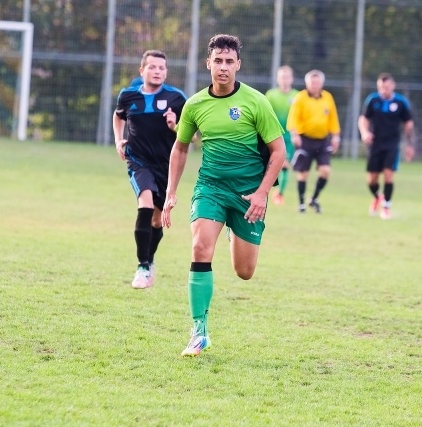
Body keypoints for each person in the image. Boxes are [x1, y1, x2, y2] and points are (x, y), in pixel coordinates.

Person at [162, 34, 285, 356]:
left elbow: (279, 152)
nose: (223, 67)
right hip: (211, 188)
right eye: (218, 61)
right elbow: (180, 146)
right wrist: (171, 193)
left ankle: (234, 231)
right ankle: (198, 330)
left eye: (229, 62)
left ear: (238, 65)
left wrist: (261, 194)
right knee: (201, 247)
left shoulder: (256, 102)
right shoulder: (196, 104)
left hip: (248, 196)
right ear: (208, 64)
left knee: (244, 272)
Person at [113, 50, 187, 289]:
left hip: (165, 167)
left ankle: (150, 260)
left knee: (156, 221)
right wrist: (118, 140)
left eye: (162, 68)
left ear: (166, 72)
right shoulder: (128, 96)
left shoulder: (177, 98)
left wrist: (175, 126)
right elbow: (118, 116)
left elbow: (191, 137)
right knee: (144, 204)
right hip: (137, 161)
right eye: (152, 67)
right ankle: (142, 266)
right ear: (142, 70)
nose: (157, 71)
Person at [358, 72, 414, 220]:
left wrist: (409, 145)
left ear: (393, 86)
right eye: (381, 87)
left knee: (388, 174)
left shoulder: (401, 102)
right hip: (375, 144)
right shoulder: (372, 100)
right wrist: (364, 133)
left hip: (392, 145)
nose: (384, 90)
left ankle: (386, 207)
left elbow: (408, 124)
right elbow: (363, 119)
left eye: (387, 87)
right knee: (371, 180)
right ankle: (378, 197)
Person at [286, 69, 341, 214]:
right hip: (305, 139)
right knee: (303, 173)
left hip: (323, 141)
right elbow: (293, 117)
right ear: (307, 83)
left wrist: (335, 136)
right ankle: (301, 203)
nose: (315, 85)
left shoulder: (327, 97)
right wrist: (294, 134)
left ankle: (314, 198)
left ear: (321, 83)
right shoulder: (301, 97)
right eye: (312, 82)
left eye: (317, 82)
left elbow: (333, 118)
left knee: (325, 171)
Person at [264, 66, 299, 206]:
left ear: (292, 79)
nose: (284, 79)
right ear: (278, 79)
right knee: (270, 164)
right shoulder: (271, 95)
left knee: (285, 165)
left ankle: (280, 193)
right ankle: (265, 189)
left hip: (290, 135)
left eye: (287, 77)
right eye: (282, 77)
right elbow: (265, 114)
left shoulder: (297, 96)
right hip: (273, 134)